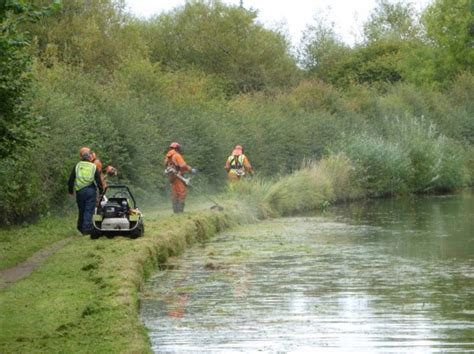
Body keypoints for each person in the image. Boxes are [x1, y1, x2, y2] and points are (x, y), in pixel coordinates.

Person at [68, 147, 104, 235]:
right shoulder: (93, 167)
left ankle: (80, 227)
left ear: (81, 157)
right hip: (90, 191)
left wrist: (70, 191)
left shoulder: (77, 166)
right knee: (89, 210)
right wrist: (101, 191)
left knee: (82, 209)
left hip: (79, 191)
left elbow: (71, 180)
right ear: (90, 158)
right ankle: (87, 229)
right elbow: (99, 181)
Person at [164, 142, 196, 213]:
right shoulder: (176, 155)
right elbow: (183, 166)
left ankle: (175, 211)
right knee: (182, 192)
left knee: (175, 193)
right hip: (178, 176)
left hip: (171, 176)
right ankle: (180, 211)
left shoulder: (167, 157)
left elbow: (166, 166)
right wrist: (191, 170)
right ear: (177, 148)